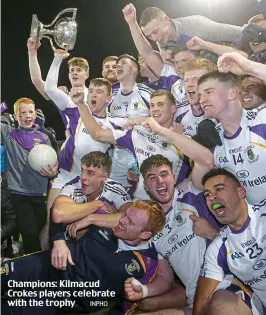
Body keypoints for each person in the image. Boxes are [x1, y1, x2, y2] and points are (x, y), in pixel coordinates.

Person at [1, 200, 165, 315]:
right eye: (125, 215)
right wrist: (59, 240)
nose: (121, 221)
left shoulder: (146, 264)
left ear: (145, 234)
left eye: (130, 222)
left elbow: (127, 305)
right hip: (43, 265)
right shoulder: (105, 220)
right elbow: (58, 211)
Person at [124, 155, 219, 315]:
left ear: (173, 177)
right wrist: (144, 290)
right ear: (146, 187)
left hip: (220, 286)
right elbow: (165, 278)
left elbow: (205, 159)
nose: (160, 181)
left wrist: (211, 232)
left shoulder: (193, 195)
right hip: (194, 299)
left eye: (164, 174)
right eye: (152, 178)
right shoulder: (152, 227)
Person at [74, 89, 189, 200]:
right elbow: (98, 134)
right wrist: (80, 103)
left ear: (173, 108)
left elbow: (198, 172)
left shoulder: (185, 140)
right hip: (140, 204)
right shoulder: (137, 133)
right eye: (152, 106)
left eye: (160, 105)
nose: (155, 109)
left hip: (172, 206)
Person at [193, 168, 266, 315]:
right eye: (207, 194)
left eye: (219, 189)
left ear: (241, 192)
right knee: (221, 302)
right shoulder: (218, 247)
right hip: (258, 305)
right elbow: (202, 301)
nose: (212, 197)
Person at [50, 151, 133, 269]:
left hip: (102, 247)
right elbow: (58, 214)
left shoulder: (115, 189)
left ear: (104, 177)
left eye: (90, 173)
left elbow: (130, 219)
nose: (83, 177)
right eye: (82, 170)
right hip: (73, 243)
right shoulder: (73, 186)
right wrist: (98, 205)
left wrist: (91, 219)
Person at [0, 97, 58, 254]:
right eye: (23, 112)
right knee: (30, 235)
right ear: (16, 116)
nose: (27, 116)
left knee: (39, 234)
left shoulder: (45, 137)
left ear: (35, 114)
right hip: (19, 194)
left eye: (31, 112)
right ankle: (34, 273)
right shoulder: (8, 134)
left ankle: (37, 268)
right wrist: (1, 107)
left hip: (40, 195)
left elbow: (55, 170)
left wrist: (52, 173)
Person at [122, 4, 189, 110]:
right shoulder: (171, 74)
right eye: (177, 62)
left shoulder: (204, 76)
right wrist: (132, 23)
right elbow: (147, 53)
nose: (180, 65)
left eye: (184, 60)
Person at [138, 6, 244, 54]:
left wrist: (236, 56)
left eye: (155, 32)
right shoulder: (162, 38)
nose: (155, 38)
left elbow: (242, 34)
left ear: (166, 20)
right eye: (149, 36)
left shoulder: (199, 26)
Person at [175, 58, 217, 136]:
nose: (189, 84)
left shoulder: (223, 112)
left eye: (196, 79)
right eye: (186, 80)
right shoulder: (177, 111)